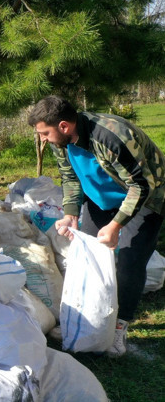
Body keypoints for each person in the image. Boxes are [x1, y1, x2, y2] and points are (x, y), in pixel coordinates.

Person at [28, 95, 165, 357]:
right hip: (102, 197)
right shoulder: (62, 141)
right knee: (88, 256)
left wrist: (115, 225)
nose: (43, 139)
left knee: (129, 259)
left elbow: (142, 185)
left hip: (147, 198)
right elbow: (70, 177)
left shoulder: (113, 137)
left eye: (45, 133)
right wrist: (70, 214)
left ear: (64, 126)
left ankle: (117, 328)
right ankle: (88, 322)